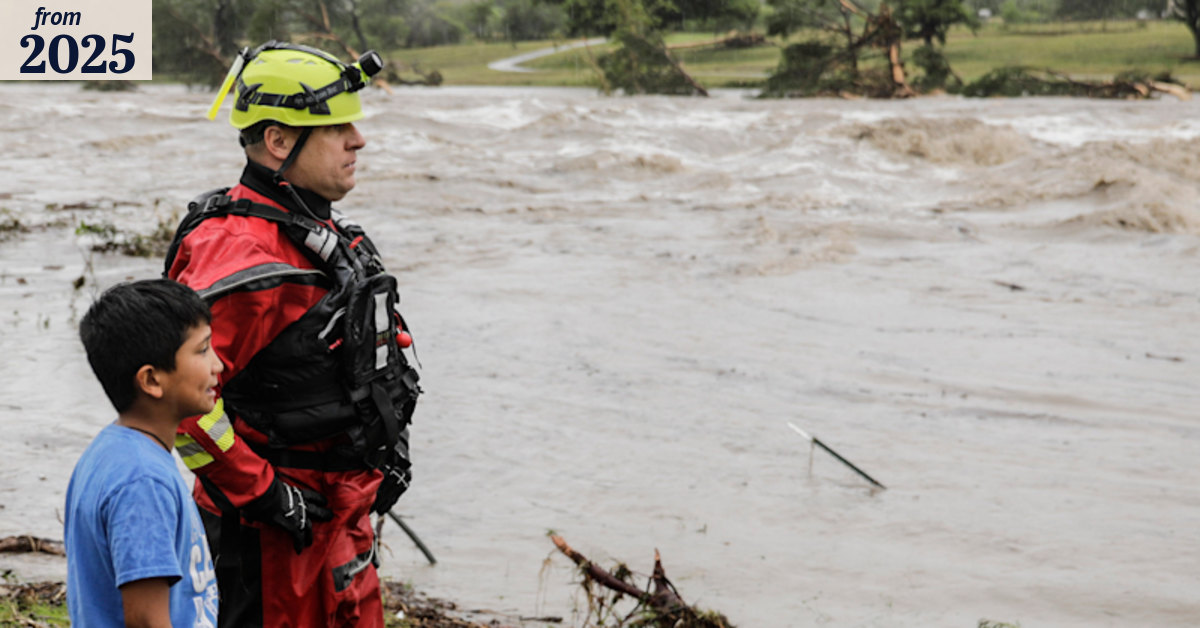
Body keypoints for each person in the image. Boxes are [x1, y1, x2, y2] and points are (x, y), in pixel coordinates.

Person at [162, 41, 421, 627]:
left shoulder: (318, 233)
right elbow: (177, 403)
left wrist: (389, 454)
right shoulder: (240, 259)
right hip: (272, 540)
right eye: (337, 127)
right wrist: (264, 493)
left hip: (341, 522)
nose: (359, 139)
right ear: (279, 141)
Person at [65, 279, 222, 627]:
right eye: (202, 350)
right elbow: (147, 621)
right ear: (151, 380)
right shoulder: (141, 481)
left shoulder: (113, 451)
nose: (218, 365)